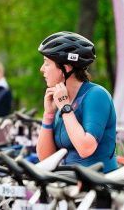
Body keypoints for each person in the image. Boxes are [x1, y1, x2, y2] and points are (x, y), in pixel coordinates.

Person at [36, 31, 117, 173]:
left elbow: (86, 148)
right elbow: (45, 158)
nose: (42, 69)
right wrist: (48, 114)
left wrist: (65, 108)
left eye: (47, 63)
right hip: (71, 183)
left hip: (100, 184)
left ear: (66, 68)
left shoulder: (96, 95)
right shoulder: (61, 100)